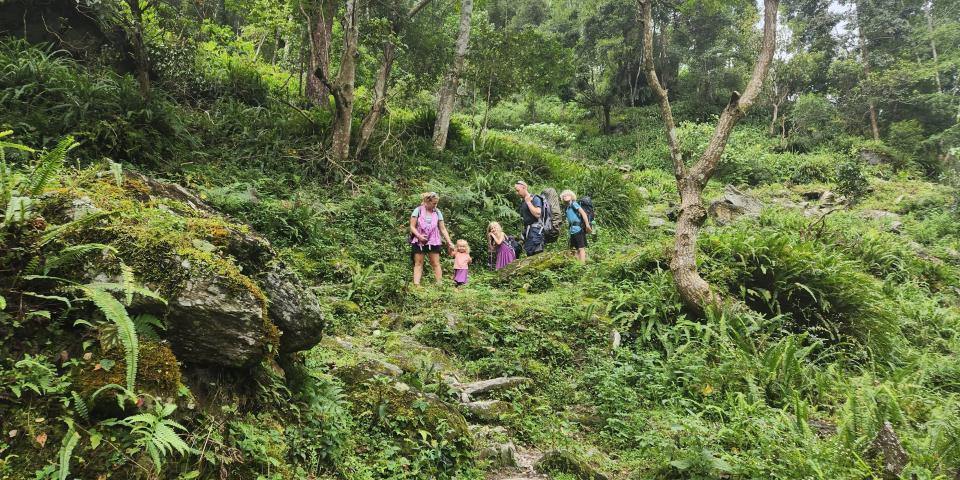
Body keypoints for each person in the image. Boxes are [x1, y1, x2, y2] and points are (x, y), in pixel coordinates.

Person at [409, 192, 455, 286]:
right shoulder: (418, 210)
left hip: (434, 240)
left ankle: (439, 285)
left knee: (435, 263)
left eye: (436, 203)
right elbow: (412, 226)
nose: (436, 205)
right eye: (434, 203)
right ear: (427, 201)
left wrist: (449, 242)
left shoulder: (437, 212)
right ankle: (416, 285)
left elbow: (442, 228)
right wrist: (419, 236)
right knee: (418, 263)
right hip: (419, 241)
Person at [560, 190, 592, 262]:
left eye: (567, 195)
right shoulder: (567, 207)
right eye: (564, 196)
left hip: (578, 229)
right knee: (575, 249)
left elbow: (583, 213)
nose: (565, 196)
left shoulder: (574, 204)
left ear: (571, 196)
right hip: (572, 230)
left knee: (581, 248)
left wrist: (587, 225)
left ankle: (582, 265)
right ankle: (578, 265)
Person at [514, 180, 544, 255]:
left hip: (536, 232)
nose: (517, 193)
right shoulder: (523, 202)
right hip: (528, 232)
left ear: (524, 188)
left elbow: (538, 214)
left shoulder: (534, 198)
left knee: (535, 254)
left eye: (518, 190)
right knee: (529, 253)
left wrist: (528, 202)